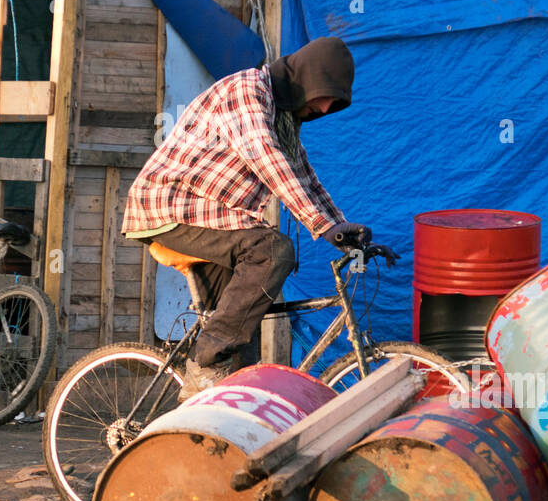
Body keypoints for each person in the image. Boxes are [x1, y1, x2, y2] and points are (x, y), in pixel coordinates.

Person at [123, 36, 389, 394]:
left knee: (242, 330)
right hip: (172, 207)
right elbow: (268, 161)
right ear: (308, 78)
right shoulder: (247, 92)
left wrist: (341, 226)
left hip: (218, 217)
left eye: (334, 104)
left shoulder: (284, 117)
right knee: (273, 251)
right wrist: (323, 227)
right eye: (326, 95)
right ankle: (204, 363)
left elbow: (303, 177)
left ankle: (214, 415)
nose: (325, 109)